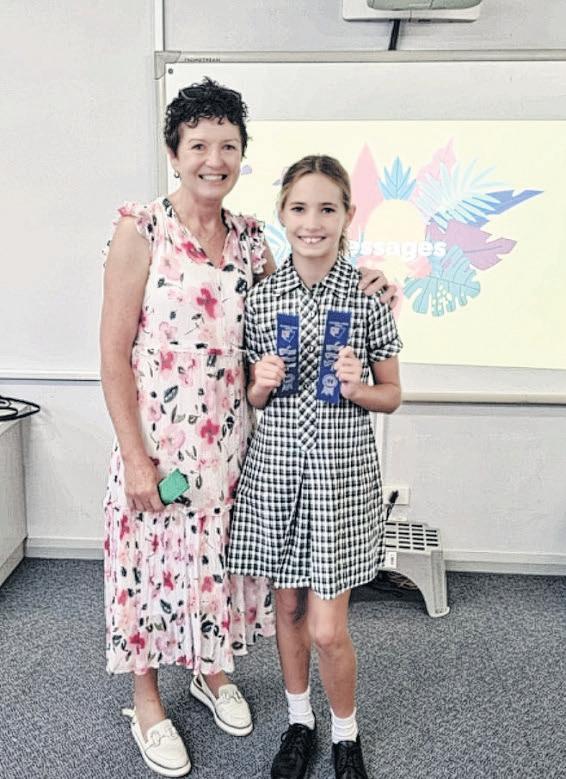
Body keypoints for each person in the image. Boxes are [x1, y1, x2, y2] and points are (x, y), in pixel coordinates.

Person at [100, 78, 396, 778]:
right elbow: (112, 354)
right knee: (150, 566)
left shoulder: (250, 241)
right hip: (160, 440)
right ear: (174, 153)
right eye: (198, 144)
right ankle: (147, 700)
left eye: (228, 145)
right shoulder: (141, 230)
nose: (214, 159)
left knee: (215, 568)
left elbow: (299, 293)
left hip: (235, 441)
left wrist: (373, 281)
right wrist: (136, 458)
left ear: (241, 154)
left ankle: (211, 672)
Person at [227, 155, 403, 779]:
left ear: (348, 215)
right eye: (300, 208)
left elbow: (392, 395)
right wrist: (259, 383)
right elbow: (253, 398)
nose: (312, 222)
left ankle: (345, 734)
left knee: (329, 628)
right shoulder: (260, 298)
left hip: (340, 481)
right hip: (275, 474)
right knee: (290, 613)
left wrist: (359, 389)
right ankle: (299, 721)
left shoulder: (368, 297)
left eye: (327, 208)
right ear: (282, 213)